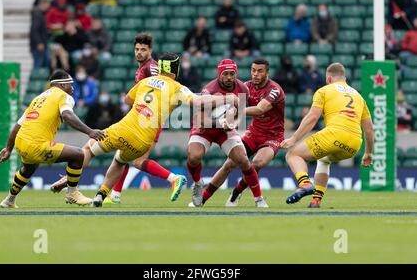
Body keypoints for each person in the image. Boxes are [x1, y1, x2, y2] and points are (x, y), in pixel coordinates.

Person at [64, 53, 239, 207]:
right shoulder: (177, 88)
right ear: (175, 69)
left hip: (123, 129)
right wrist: (227, 98)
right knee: (119, 160)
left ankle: (70, 183)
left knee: (88, 149)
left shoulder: (145, 82)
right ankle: (100, 197)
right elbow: (199, 101)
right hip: (143, 142)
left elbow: (127, 100)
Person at [50, 33, 180, 204]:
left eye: (143, 49)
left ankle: (173, 179)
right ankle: (115, 195)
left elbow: (160, 89)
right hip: (144, 120)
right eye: (137, 49)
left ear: (150, 51)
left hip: (148, 122)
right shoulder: (142, 68)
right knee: (123, 156)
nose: (139, 52)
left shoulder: (152, 68)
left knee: (135, 160)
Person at [0, 70, 105, 208]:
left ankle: (9, 200)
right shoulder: (63, 96)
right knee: (78, 155)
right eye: (70, 85)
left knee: (27, 169)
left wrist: (8, 149)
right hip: (36, 144)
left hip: (20, 142)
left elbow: (17, 126)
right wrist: (90, 131)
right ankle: (72, 194)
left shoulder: (38, 99)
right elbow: (67, 116)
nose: (72, 88)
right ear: (62, 85)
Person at [280, 63, 374, 208]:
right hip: (354, 145)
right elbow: (369, 129)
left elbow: (312, 117)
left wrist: (294, 138)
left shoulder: (324, 90)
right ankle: (316, 201)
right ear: (345, 78)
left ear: (329, 78)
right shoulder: (358, 96)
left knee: (293, 154)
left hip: (334, 135)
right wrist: (368, 153)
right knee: (324, 160)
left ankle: (305, 184)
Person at [202, 58, 285, 207]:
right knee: (229, 164)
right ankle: (201, 199)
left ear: (267, 72)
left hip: (272, 136)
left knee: (257, 163)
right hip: (253, 133)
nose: (255, 74)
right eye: (253, 70)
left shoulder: (274, 90)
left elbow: (260, 109)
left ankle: (236, 192)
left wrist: (235, 110)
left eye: (260, 71)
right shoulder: (246, 86)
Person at [186, 59, 268, 208]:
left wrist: (233, 124)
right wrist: (222, 123)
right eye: (225, 74)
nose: (229, 77)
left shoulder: (243, 89)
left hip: (224, 131)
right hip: (205, 129)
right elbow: (202, 121)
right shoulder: (209, 90)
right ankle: (198, 183)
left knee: (243, 160)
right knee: (193, 157)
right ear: (219, 75)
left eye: (232, 73)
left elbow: (239, 113)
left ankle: (259, 199)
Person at [30, 0, 51, 69]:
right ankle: (34, 79)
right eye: (48, 4)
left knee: (43, 63)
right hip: (38, 46)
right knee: (38, 65)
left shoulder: (39, 14)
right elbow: (34, 30)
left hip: (41, 44)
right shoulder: (38, 14)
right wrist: (39, 42)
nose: (48, 6)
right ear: (43, 4)